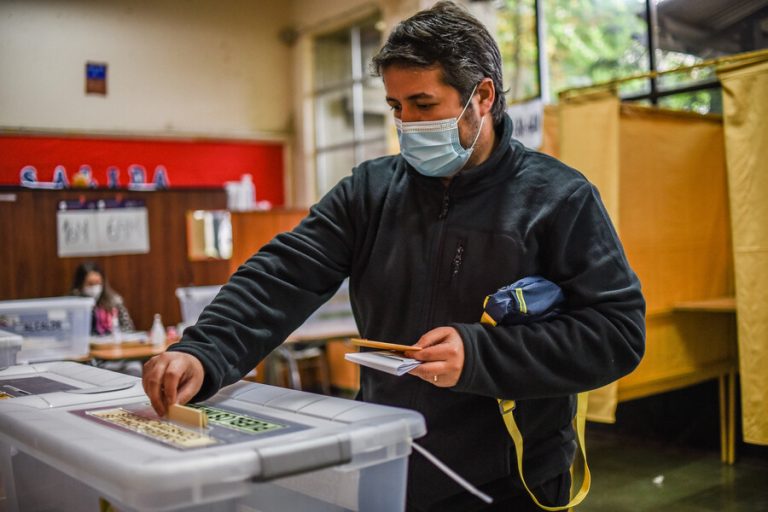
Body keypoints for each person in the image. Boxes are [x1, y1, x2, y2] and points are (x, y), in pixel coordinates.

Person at [142, 2, 646, 511]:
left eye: (424, 105)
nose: (407, 124)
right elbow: (282, 275)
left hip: (511, 477)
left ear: (483, 96)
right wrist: (203, 351)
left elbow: (617, 332)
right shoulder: (371, 190)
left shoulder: (558, 198)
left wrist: (480, 356)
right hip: (391, 461)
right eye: (396, 107)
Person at [72, 261, 134, 336]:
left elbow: (128, 328)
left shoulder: (115, 301)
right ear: (80, 284)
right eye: (90, 284)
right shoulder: (72, 304)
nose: (94, 287)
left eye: (98, 283)